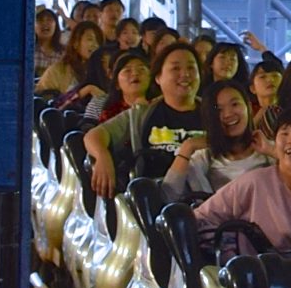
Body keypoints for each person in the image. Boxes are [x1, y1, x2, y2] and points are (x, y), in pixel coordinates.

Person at [193, 105, 291, 255]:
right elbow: (201, 217)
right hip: (260, 268)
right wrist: (229, 254)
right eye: (284, 133)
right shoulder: (254, 182)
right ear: (275, 143)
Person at [84, 43, 203, 196]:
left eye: (191, 68)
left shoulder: (213, 114)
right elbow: (93, 136)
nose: (185, 74)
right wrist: (102, 157)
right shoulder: (142, 114)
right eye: (176, 68)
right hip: (153, 196)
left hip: (208, 196)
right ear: (158, 77)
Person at [161, 79, 274, 201]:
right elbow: (169, 196)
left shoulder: (269, 151)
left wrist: (273, 151)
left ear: (249, 107)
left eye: (235, 104)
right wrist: (188, 147)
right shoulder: (204, 156)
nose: (228, 114)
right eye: (219, 109)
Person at [35, 20, 102, 98]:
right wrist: (85, 91)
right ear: (75, 43)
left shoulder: (103, 71)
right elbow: (43, 101)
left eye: (98, 41)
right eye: (90, 39)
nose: (95, 45)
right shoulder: (57, 71)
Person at [97, 50, 151, 123]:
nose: (135, 73)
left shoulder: (159, 107)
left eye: (141, 69)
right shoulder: (110, 114)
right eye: (127, 70)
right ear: (117, 83)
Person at [249, 56, 283, 126]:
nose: (270, 80)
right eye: (263, 77)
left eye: (275, 76)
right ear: (253, 88)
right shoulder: (247, 112)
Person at [33, 7, 62, 80]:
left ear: (56, 25)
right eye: (40, 20)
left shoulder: (64, 53)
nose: (45, 23)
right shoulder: (29, 51)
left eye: (49, 20)